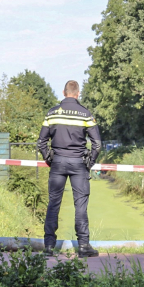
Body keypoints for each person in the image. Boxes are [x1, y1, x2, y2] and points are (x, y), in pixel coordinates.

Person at [37, 80, 102, 258]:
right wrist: (90, 163)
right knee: (80, 205)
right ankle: (83, 246)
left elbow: (41, 142)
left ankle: (49, 246)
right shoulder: (85, 114)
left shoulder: (52, 113)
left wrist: (50, 159)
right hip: (79, 163)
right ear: (77, 93)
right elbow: (97, 144)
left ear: (64, 92)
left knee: (53, 204)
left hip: (58, 162)